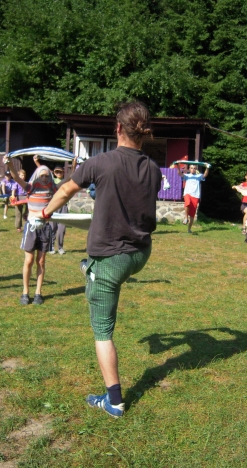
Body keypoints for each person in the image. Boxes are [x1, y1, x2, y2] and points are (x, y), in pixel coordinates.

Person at [41, 101, 161, 418]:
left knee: (103, 331)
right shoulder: (153, 169)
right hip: (140, 254)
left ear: (118, 128)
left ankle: (114, 401)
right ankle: (90, 269)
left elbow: (65, 191)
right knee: (99, 270)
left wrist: (46, 212)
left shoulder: (100, 162)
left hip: (111, 259)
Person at [4, 158, 58, 305]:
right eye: (42, 175)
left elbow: (67, 183)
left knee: (41, 261)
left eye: (46, 176)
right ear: (37, 176)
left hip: (45, 228)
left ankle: (38, 293)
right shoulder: (30, 187)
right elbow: (16, 177)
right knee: (28, 261)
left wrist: (74, 165)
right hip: (31, 227)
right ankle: (25, 292)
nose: (44, 178)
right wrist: (10, 164)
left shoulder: (52, 189)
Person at [33, 157, 68, 255]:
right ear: (54, 173)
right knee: (53, 227)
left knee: (61, 229)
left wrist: (74, 165)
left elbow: (73, 175)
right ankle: (51, 247)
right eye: (57, 172)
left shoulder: (66, 180)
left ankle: (60, 247)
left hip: (63, 206)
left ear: (63, 172)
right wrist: (36, 162)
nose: (58, 173)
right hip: (53, 206)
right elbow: (43, 170)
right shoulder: (51, 180)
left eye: (60, 172)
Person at [176, 163, 209, 233]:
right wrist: (178, 166)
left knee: (192, 214)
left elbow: (205, 175)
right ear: (189, 169)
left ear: (196, 169)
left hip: (196, 196)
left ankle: (189, 229)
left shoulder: (199, 176)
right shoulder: (187, 176)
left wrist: (207, 167)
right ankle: (185, 218)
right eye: (191, 168)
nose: (193, 169)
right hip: (187, 193)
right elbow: (179, 173)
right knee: (187, 203)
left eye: (194, 168)